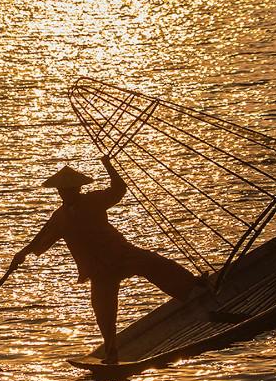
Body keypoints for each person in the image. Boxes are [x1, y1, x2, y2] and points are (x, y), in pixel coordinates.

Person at [12, 156, 201, 364]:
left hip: (121, 254)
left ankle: (192, 287)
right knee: (103, 310)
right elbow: (41, 238)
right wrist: (23, 253)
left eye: (69, 189)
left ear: (78, 189)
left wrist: (108, 165)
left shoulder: (93, 200)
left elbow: (118, 189)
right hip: (98, 269)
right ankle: (111, 352)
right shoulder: (61, 217)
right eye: (63, 190)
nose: (66, 193)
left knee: (155, 263)